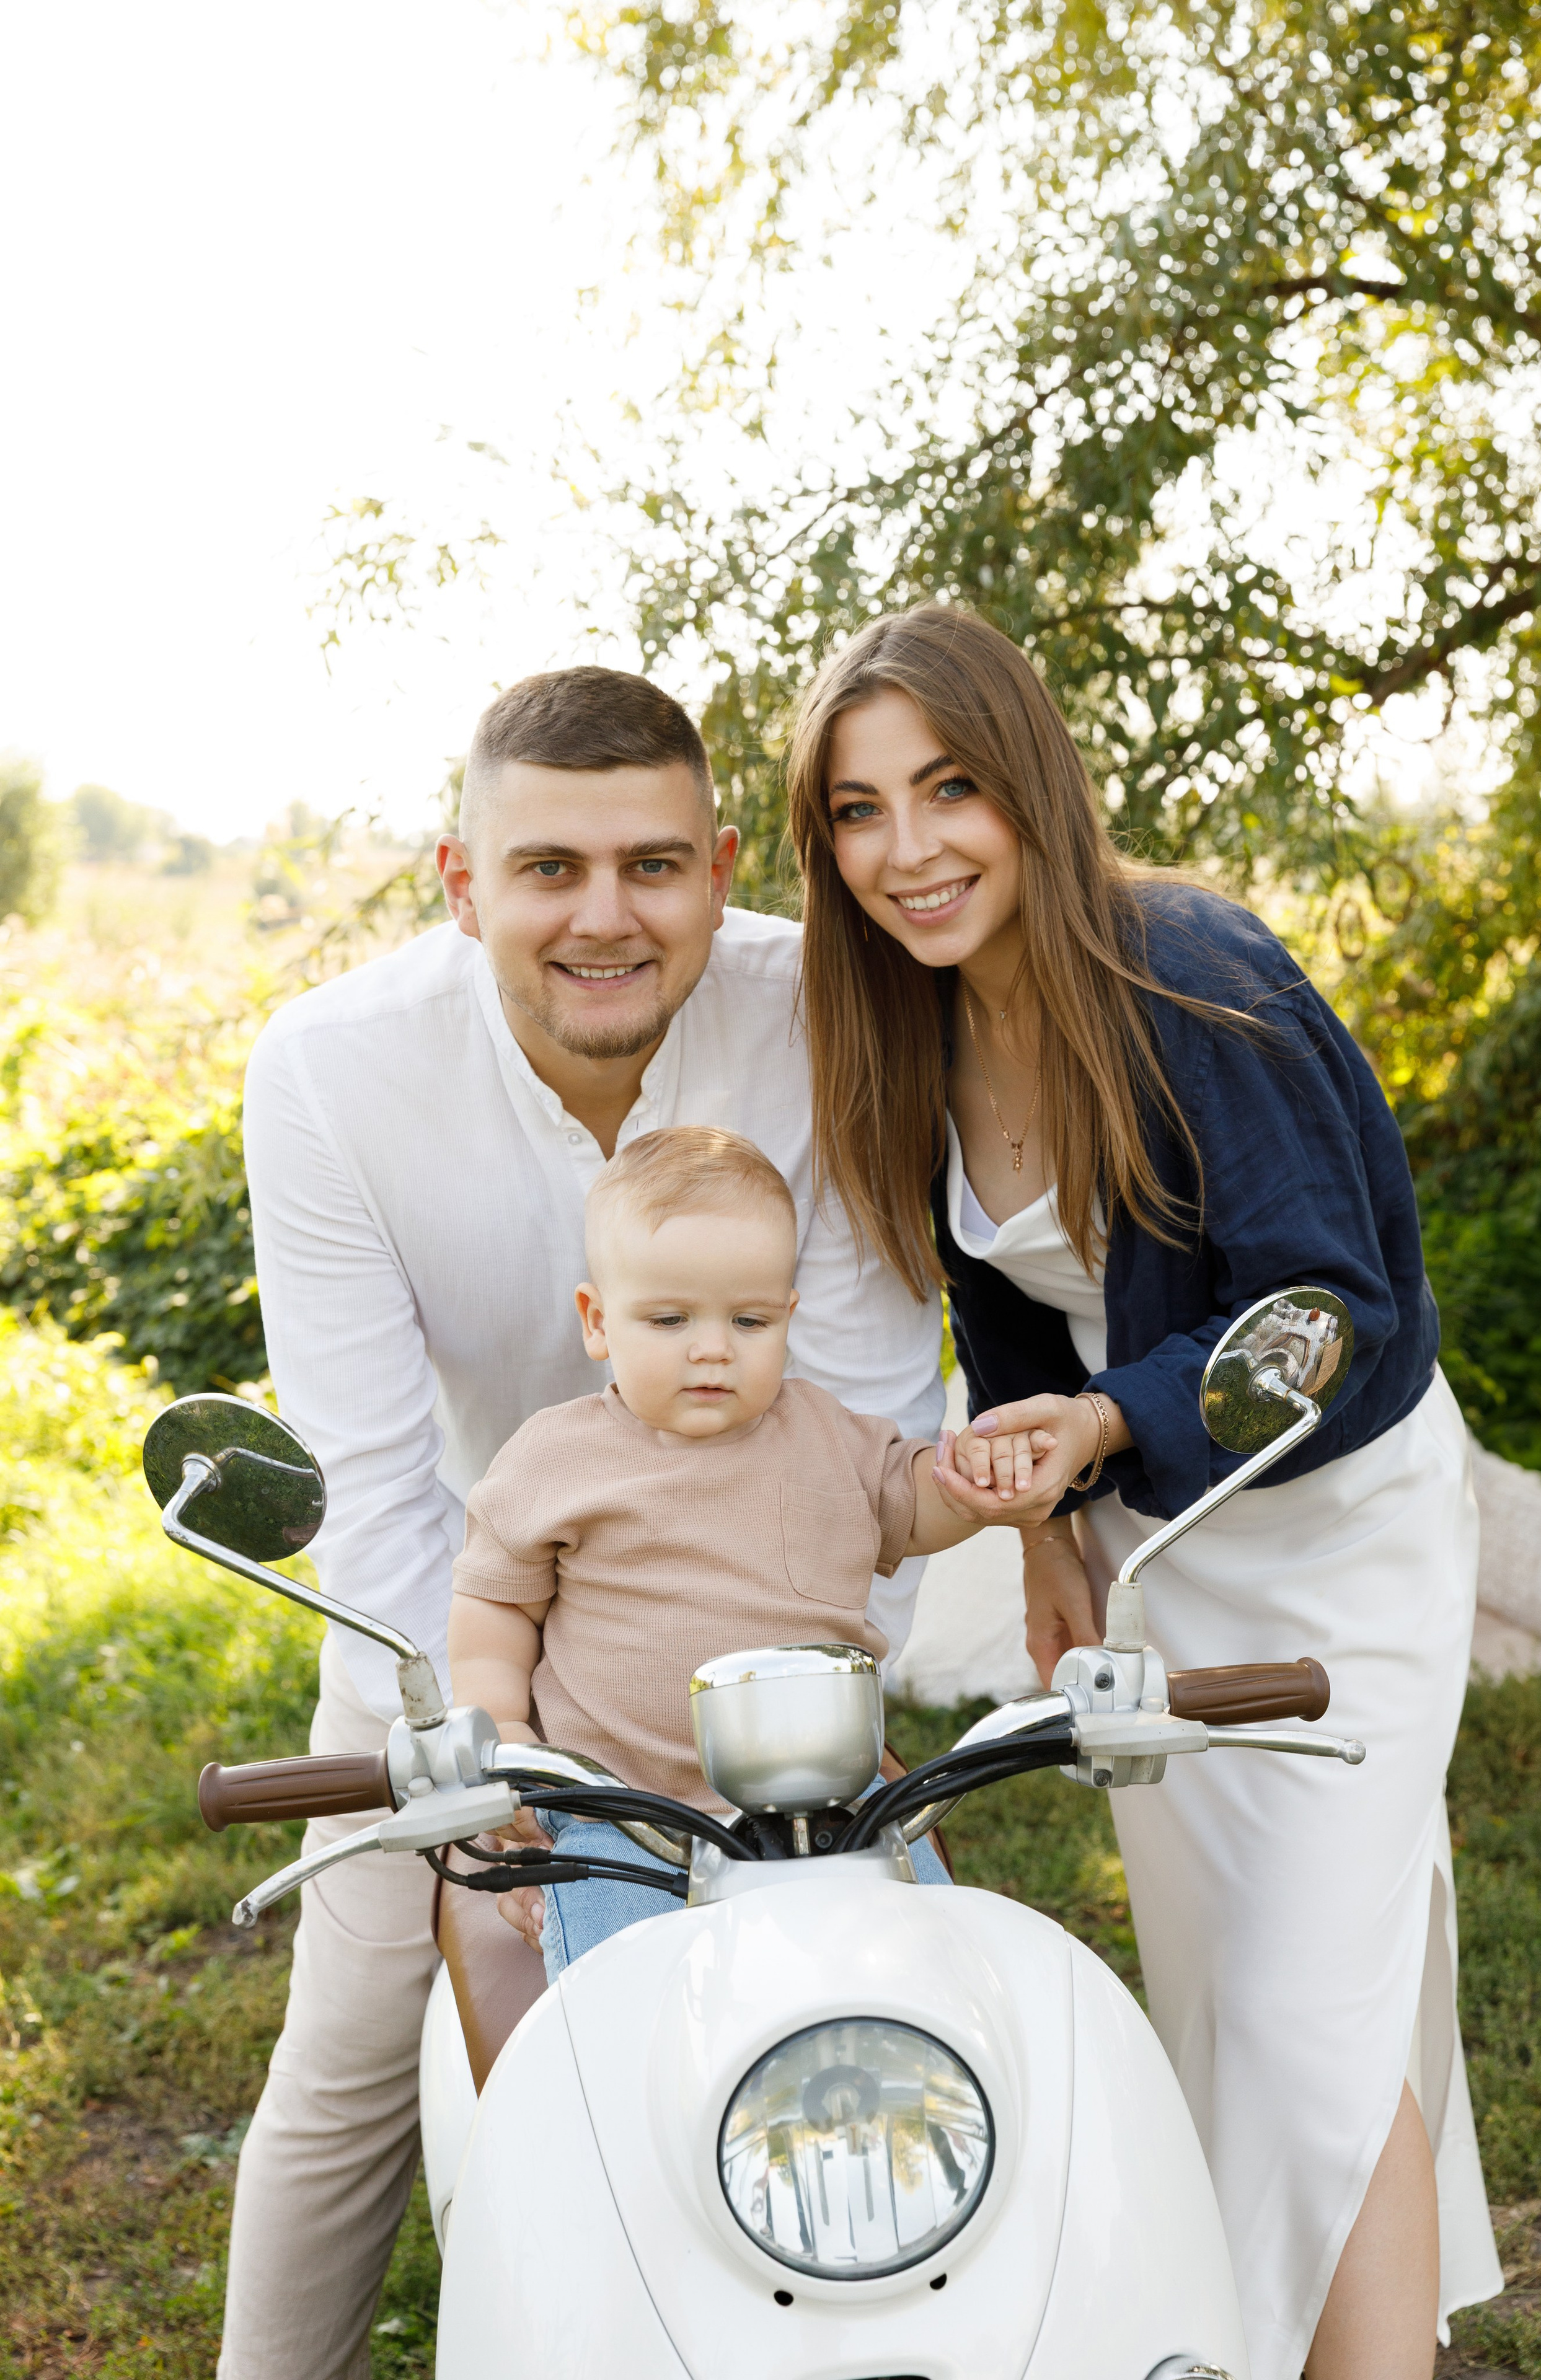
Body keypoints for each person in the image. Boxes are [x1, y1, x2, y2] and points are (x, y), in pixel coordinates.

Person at [780, 601, 1503, 2380]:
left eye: (947, 789)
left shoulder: (1189, 968)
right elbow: (1009, 1298)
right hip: (1157, 1552)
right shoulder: (919, 1025)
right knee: (1235, 2007)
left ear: (1027, 776)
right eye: (858, 813)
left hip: (1338, 1536)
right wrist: (1051, 1532)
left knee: (1302, 2017)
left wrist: (1105, 1431)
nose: (908, 850)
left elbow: (1325, 1308)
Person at [230, 667, 947, 2380]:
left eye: (652, 865)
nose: (605, 916)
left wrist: (789, 1717)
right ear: (463, 880)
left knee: (889, 2009)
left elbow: (865, 1401)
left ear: (716, 863)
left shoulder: (816, 1007)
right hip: (465, 1612)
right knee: (350, 2050)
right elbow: (378, 1486)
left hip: (769, 1630)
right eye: (548, 868)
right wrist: (497, 1744)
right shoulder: (328, 1071)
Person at [447, 1124, 1050, 1965]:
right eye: (667, 1318)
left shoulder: (828, 1435)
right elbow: (494, 1611)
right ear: (597, 1321)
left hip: (833, 1798)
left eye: (750, 1318)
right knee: (624, 1993)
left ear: (787, 1318)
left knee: (932, 1964)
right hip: (624, 1813)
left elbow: (911, 1509)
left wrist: (970, 1491)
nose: (712, 1348)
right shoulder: (555, 1460)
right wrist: (503, 1741)